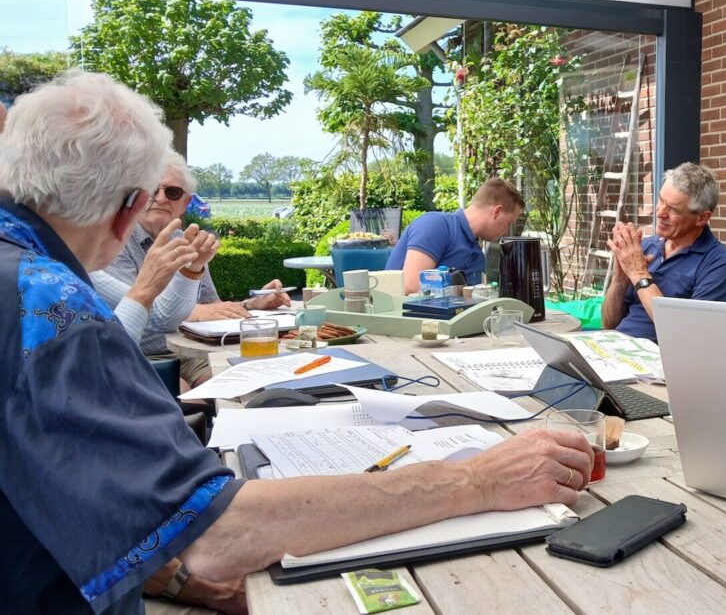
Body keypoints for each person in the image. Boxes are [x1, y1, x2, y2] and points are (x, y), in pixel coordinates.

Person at [0, 71, 595, 614]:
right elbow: (217, 536)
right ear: (129, 209)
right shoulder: (52, 308)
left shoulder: (22, 273)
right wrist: (477, 480)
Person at [97, 154, 286, 387]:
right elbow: (134, 311)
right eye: (152, 189)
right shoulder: (117, 242)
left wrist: (251, 305)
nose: (160, 198)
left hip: (192, 352)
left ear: (185, 203)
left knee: (246, 382)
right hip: (142, 355)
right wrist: (195, 311)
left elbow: (213, 307)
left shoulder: (186, 240)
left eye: (172, 192)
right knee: (184, 392)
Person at [600, 162, 726, 342]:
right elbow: (609, 324)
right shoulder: (646, 247)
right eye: (661, 200)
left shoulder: (719, 263)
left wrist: (639, 275)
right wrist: (619, 281)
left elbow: (686, 335)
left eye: (673, 209)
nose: (660, 212)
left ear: (701, 218)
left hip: (655, 356)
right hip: (614, 346)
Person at [386, 177, 525, 294]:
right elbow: (412, 286)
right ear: (497, 212)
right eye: (508, 223)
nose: (506, 232)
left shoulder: (476, 253)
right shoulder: (435, 225)